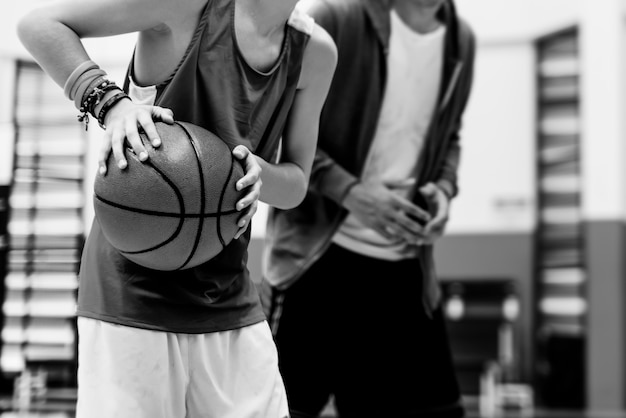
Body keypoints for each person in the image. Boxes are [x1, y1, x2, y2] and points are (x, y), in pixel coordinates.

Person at [17, 0, 337, 416]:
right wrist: (113, 105)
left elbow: (296, 184)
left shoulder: (315, 51)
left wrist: (257, 172)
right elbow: (40, 24)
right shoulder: (186, 5)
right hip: (132, 289)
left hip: (226, 290)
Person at [261, 0, 476, 417]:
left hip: (404, 268)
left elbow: (451, 136)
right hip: (317, 261)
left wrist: (445, 190)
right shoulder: (333, 19)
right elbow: (276, 131)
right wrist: (353, 192)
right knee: (283, 409)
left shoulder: (460, 39)